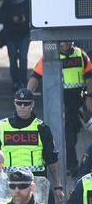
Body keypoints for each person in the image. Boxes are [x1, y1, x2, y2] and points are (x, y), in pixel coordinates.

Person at [27, 41, 92, 176]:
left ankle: (74, 165)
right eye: (62, 41)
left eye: (67, 40)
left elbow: (89, 77)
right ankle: (71, 166)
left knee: (72, 133)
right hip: (60, 101)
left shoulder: (81, 55)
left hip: (78, 100)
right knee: (65, 135)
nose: (65, 43)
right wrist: (27, 97)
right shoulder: (49, 56)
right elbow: (35, 76)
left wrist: (89, 97)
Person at [0, 89, 64, 204]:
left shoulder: (41, 128)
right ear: (15, 103)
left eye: (26, 103)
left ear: (32, 104)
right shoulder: (2, 126)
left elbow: (52, 160)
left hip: (36, 184)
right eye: (19, 103)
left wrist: (58, 186)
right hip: (10, 184)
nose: (22, 106)